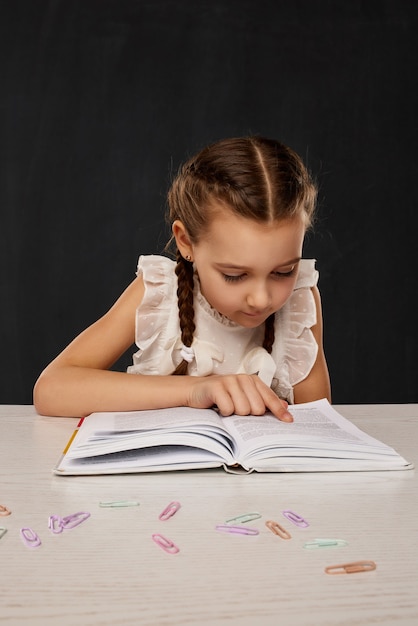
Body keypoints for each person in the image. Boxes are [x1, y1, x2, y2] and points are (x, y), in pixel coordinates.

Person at [34, 136, 331, 421]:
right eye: (235, 275)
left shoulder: (300, 302)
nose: (262, 298)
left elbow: (318, 422)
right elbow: (52, 389)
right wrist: (194, 391)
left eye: (283, 272)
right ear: (186, 242)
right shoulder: (160, 293)